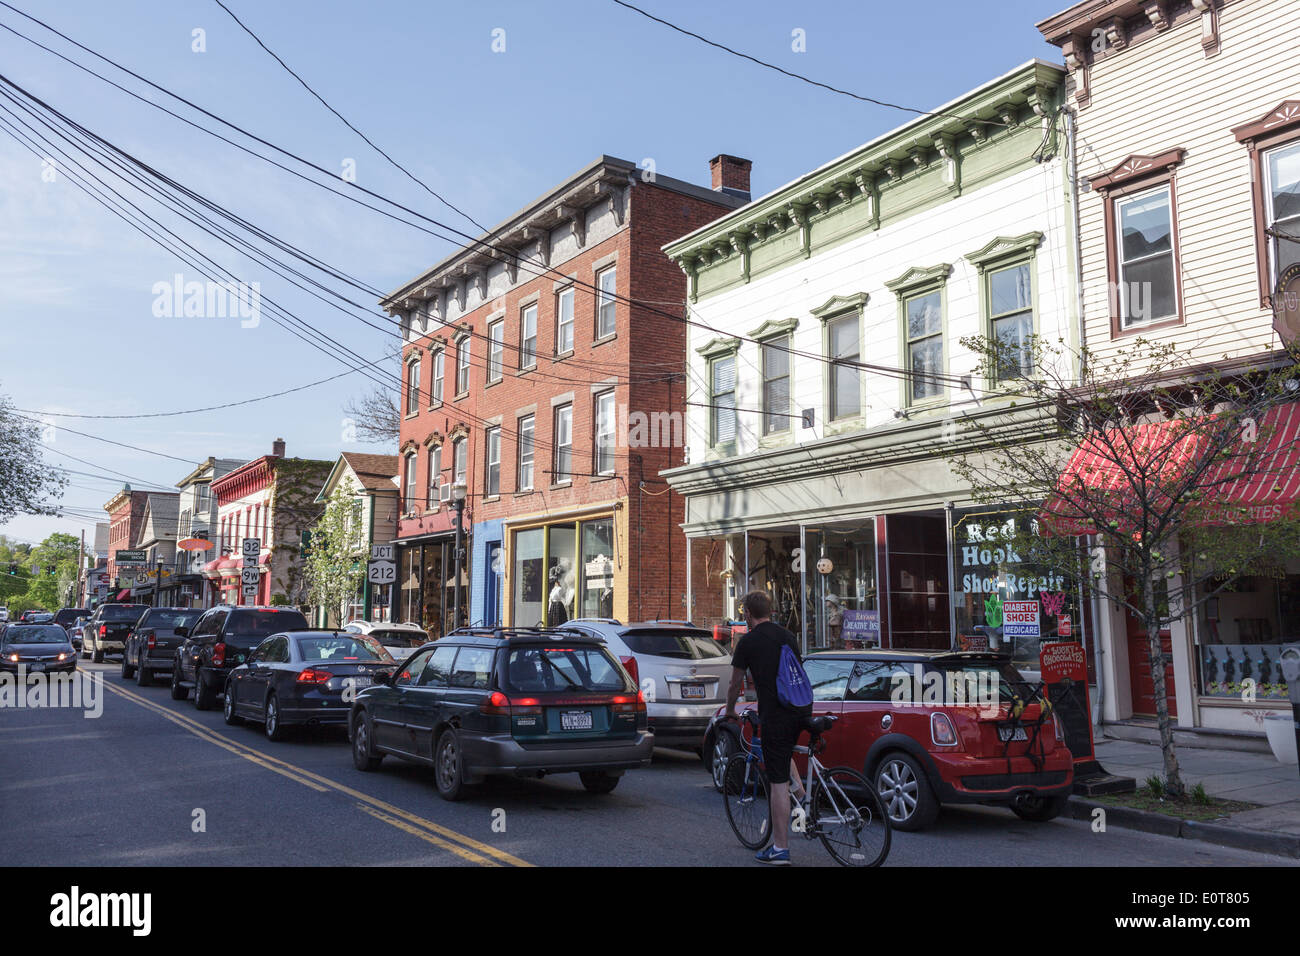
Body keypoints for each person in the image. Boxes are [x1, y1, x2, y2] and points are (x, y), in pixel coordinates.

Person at [725, 590, 813, 865]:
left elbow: (734, 683)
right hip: (802, 708)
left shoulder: (748, 642)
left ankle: (780, 848)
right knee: (782, 754)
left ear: (748, 614)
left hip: (777, 713)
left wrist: (729, 711)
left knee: (777, 782)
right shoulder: (787, 635)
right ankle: (805, 800)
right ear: (770, 611)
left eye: (744, 614)